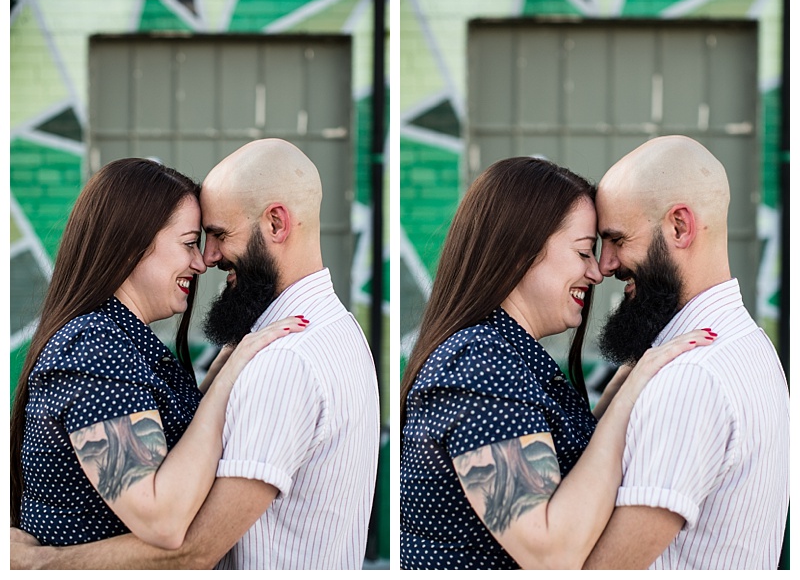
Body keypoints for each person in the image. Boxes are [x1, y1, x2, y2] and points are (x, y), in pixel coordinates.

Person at [11, 139, 380, 570]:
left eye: (216, 236)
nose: (204, 261)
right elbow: (163, 517)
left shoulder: (282, 354)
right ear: (132, 246)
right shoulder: (95, 349)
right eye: (191, 242)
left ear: (277, 224)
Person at [399, 156, 714, 569]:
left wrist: (623, 383)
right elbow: (550, 553)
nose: (597, 272)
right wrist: (626, 401)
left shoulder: (507, 357)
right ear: (518, 253)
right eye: (584, 251)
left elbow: (564, 478)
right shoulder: (479, 367)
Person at [583, 135, 789, 569]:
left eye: (617, 239)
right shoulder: (750, 345)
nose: (604, 265)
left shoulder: (693, 377)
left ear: (680, 226)